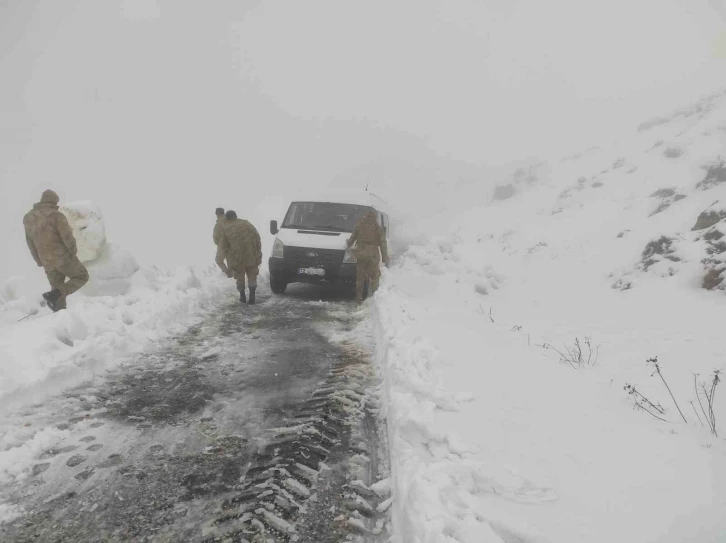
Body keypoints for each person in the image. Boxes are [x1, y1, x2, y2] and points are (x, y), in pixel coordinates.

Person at [23, 190, 89, 312]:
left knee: (56, 288)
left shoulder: (28, 218)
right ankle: (58, 294)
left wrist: (38, 260)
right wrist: (72, 252)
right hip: (62, 257)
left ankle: (59, 314)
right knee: (82, 276)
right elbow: (67, 236)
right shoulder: (56, 215)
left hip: (46, 261)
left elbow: (30, 242)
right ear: (54, 201)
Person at [217, 210, 262, 304]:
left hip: (237, 259)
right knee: (252, 277)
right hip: (251, 256)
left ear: (227, 218)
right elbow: (257, 237)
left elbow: (222, 247)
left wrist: (221, 262)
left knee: (240, 278)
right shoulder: (247, 224)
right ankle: (252, 296)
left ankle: (242, 296)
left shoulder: (226, 229)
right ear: (235, 216)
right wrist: (258, 253)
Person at [347, 208, 389, 303]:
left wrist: (348, 244)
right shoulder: (378, 228)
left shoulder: (359, 226)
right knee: (374, 276)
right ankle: (374, 296)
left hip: (361, 254)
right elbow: (383, 243)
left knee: (360, 277)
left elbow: (351, 240)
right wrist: (384, 257)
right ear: (375, 218)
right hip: (373, 254)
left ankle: (359, 297)